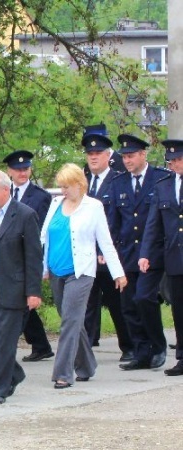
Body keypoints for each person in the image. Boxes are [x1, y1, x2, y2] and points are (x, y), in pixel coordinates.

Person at [41, 163, 126, 389]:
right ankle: (87, 365)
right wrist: (42, 269)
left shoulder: (93, 207)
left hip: (81, 272)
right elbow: (45, 238)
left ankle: (63, 373)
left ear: (80, 185)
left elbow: (105, 242)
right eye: (61, 186)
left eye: (67, 186)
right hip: (56, 270)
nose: (64, 191)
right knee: (71, 320)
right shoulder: (56, 204)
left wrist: (118, 273)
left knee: (69, 321)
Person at [0, 170, 43, 406]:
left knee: (4, 340)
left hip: (11, 286)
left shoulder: (24, 215)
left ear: (6, 190)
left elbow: (34, 255)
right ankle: (14, 373)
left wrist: (33, 291)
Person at [108, 134, 170, 371]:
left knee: (145, 298)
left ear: (143, 154)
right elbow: (113, 222)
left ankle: (158, 345)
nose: (127, 160)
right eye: (124, 156)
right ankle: (141, 351)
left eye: (131, 156)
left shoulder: (160, 178)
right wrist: (110, 251)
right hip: (126, 253)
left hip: (152, 252)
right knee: (129, 305)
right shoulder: (119, 183)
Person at [82, 125, 133, 360]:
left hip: (110, 253)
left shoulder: (118, 180)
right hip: (86, 255)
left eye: (98, 154)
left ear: (107, 155)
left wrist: (108, 250)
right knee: (88, 304)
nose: (93, 157)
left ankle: (128, 346)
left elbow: (121, 221)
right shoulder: (82, 181)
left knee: (116, 303)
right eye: (90, 154)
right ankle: (86, 348)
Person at [3, 150, 54, 362]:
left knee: (25, 301)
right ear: (9, 171)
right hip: (8, 255)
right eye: (18, 169)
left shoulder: (40, 196)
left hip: (28, 253)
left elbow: (40, 228)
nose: (22, 173)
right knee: (22, 301)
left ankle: (15, 343)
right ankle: (41, 344)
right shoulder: (5, 192)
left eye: (26, 169)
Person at [140, 139, 183, 376]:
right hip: (175, 256)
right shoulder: (164, 185)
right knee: (179, 309)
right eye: (172, 160)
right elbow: (153, 224)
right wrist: (146, 253)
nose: (176, 164)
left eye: (179, 159)